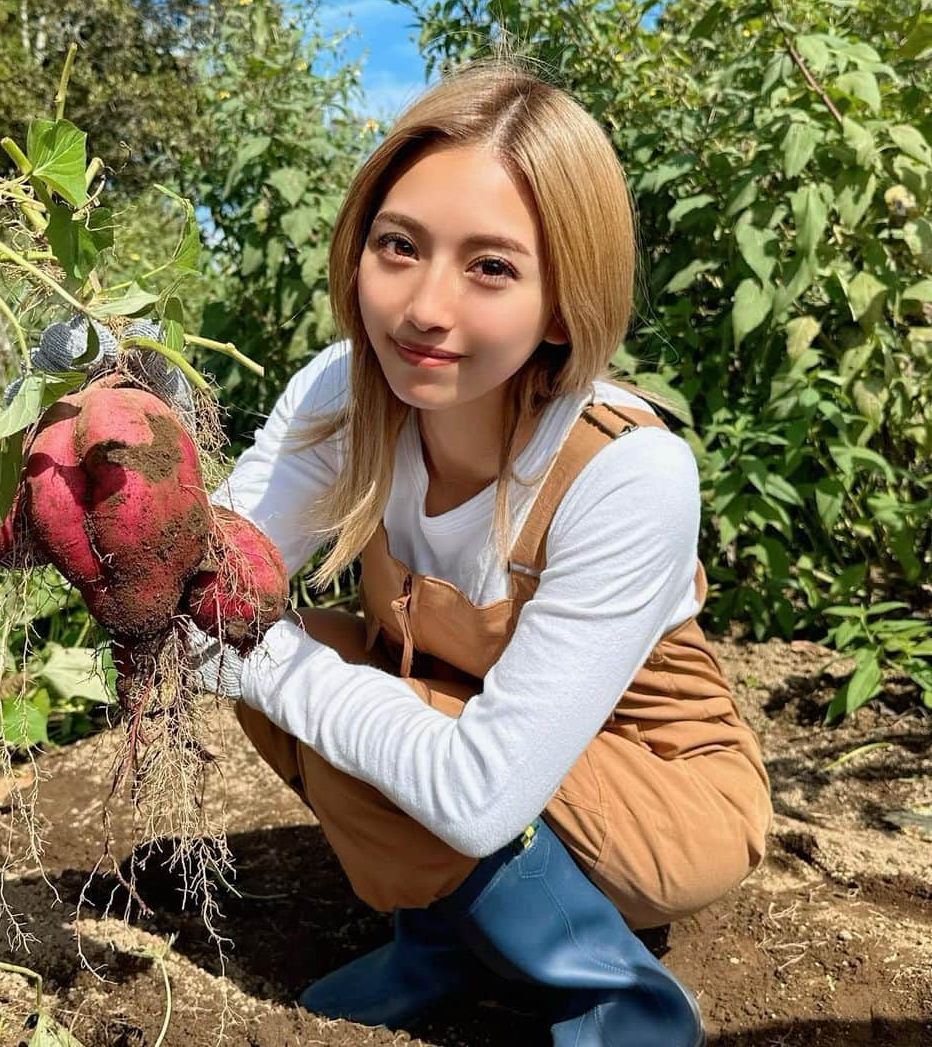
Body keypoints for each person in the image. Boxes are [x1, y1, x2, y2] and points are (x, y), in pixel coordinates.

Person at [207, 58, 772, 1047]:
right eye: (399, 246)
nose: (426, 308)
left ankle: (614, 997)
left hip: (657, 781)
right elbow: (217, 577)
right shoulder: (346, 391)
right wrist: (120, 501)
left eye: (491, 267)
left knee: (335, 703)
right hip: (478, 732)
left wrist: (242, 644)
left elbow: (476, 796)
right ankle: (441, 947)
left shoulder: (627, 470)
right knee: (330, 684)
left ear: (562, 300)